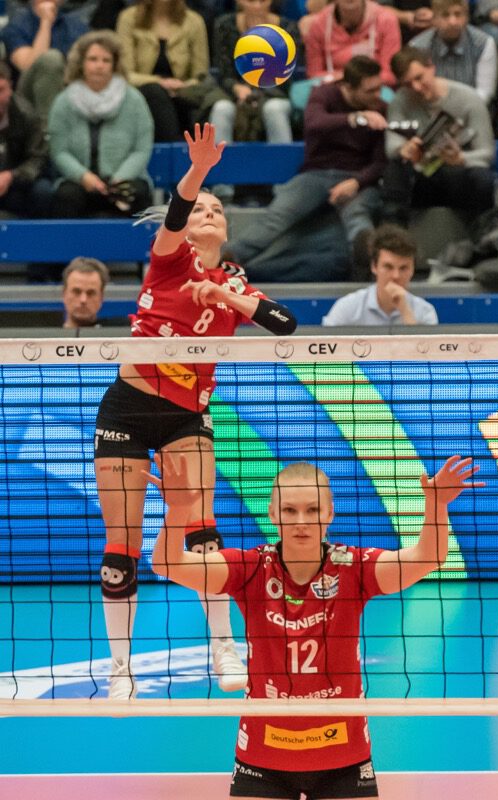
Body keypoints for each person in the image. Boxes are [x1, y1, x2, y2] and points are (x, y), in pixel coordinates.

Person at [93, 124, 298, 701]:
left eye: (218, 210)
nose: (208, 214)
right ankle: (121, 670)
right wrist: (200, 170)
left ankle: (223, 648)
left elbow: (286, 325)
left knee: (204, 532)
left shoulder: (235, 283)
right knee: (121, 546)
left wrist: (226, 295)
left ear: (227, 230)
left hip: (187, 417)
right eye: (200, 209)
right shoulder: (168, 260)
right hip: (129, 409)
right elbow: (178, 212)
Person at [148, 454, 481, 799]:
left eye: (312, 510)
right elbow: (167, 563)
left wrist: (437, 504)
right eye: (289, 511)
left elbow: (427, 558)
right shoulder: (250, 569)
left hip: (344, 755)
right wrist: (178, 510)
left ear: (330, 513)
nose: (301, 522)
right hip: (263, 755)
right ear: (273, 514)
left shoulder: (353, 567)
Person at [225, 56, 387, 275]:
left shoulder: (381, 109)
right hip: (316, 174)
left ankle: (369, 269)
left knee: (357, 216)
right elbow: (314, 124)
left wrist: (357, 182)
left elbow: (380, 162)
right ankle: (224, 261)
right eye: (370, 90)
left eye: (379, 88)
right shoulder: (324, 94)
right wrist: (355, 118)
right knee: (276, 217)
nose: (378, 95)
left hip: (357, 178)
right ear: (348, 87)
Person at [383, 47, 496, 227]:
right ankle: (394, 231)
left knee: (482, 179)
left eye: (419, 78)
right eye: (407, 84)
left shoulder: (468, 98)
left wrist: (461, 159)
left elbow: (487, 153)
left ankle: (484, 231)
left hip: (458, 171)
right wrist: (404, 149)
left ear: (431, 67)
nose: (416, 88)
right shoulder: (399, 100)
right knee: (394, 170)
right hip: (421, 173)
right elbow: (391, 146)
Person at [48, 32, 155, 219]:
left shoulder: (134, 100)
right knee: (66, 196)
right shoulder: (63, 102)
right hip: (79, 181)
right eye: (93, 59)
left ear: (115, 65)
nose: (99, 65)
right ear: (81, 63)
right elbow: (59, 151)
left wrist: (120, 179)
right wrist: (84, 176)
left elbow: (142, 149)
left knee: (136, 194)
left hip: (124, 178)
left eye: (106, 60)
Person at [209, 0, 303, 146]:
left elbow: (287, 75)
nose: (257, 6)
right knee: (221, 109)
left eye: (262, 1)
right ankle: (218, 161)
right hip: (233, 93)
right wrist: (237, 88)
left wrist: (262, 41)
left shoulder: (288, 28)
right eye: (251, 1)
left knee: (274, 109)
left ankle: (281, 159)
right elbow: (224, 73)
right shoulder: (224, 25)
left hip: (275, 93)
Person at [116, 0, 211, 143]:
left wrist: (181, 86)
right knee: (156, 93)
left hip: (183, 92)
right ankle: (176, 148)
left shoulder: (194, 21)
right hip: (142, 91)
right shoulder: (128, 18)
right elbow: (126, 74)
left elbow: (200, 75)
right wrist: (161, 82)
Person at [322, 224, 440, 325]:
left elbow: (424, 346)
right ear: (374, 266)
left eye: (403, 268)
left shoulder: (425, 312)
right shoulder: (347, 308)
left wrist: (405, 311)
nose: (396, 276)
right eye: (388, 267)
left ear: (413, 270)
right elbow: (324, 343)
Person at [1, 0, 91, 119]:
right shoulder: (16, 27)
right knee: (50, 59)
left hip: (71, 92)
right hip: (27, 99)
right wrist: (46, 23)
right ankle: (49, 126)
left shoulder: (78, 27)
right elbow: (28, 66)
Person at [407, 0, 498, 104]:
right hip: (429, 109)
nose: (452, 22)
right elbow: (415, 91)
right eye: (445, 15)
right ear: (434, 19)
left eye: (458, 14)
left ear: (467, 17)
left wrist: (458, 110)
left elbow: (484, 93)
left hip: (472, 109)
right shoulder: (417, 47)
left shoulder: (483, 43)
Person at [304, 0, 402, 87]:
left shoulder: (386, 20)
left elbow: (390, 74)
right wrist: (346, 79)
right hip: (333, 88)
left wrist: (360, 82)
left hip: (376, 89)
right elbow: (314, 75)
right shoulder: (318, 24)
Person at [0, 62, 51, 219]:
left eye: (0, 90)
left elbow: (38, 158)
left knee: (43, 190)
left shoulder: (27, 116)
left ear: (10, 88)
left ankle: (39, 232)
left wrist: (11, 176)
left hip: (17, 183)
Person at [62, 257, 129, 328]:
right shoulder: (52, 333)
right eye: (76, 292)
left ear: (101, 297)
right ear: (64, 294)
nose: (83, 300)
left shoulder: (125, 331)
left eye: (90, 293)